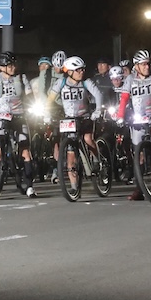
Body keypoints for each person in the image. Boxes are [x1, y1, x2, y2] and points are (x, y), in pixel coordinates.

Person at [114, 50, 151, 201]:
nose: (147, 66)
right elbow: (124, 99)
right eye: (144, 64)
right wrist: (120, 116)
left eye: (148, 64)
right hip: (138, 119)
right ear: (137, 66)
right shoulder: (130, 79)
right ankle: (139, 189)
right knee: (138, 155)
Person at [48, 55, 105, 197]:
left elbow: (98, 95)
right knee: (70, 154)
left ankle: (97, 160)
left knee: (87, 139)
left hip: (84, 116)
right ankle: (74, 186)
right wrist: (46, 113)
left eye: (83, 69)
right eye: (78, 70)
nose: (82, 72)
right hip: (69, 119)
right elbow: (49, 99)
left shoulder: (86, 82)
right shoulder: (61, 83)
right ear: (69, 72)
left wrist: (98, 110)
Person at [0, 51, 35, 198]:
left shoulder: (22, 78)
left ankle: (29, 186)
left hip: (19, 116)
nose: (13, 68)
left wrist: (31, 106)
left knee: (25, 150)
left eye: (13, 65)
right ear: (1, 67)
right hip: (2, 117)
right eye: (9, 65)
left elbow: (30, 96)